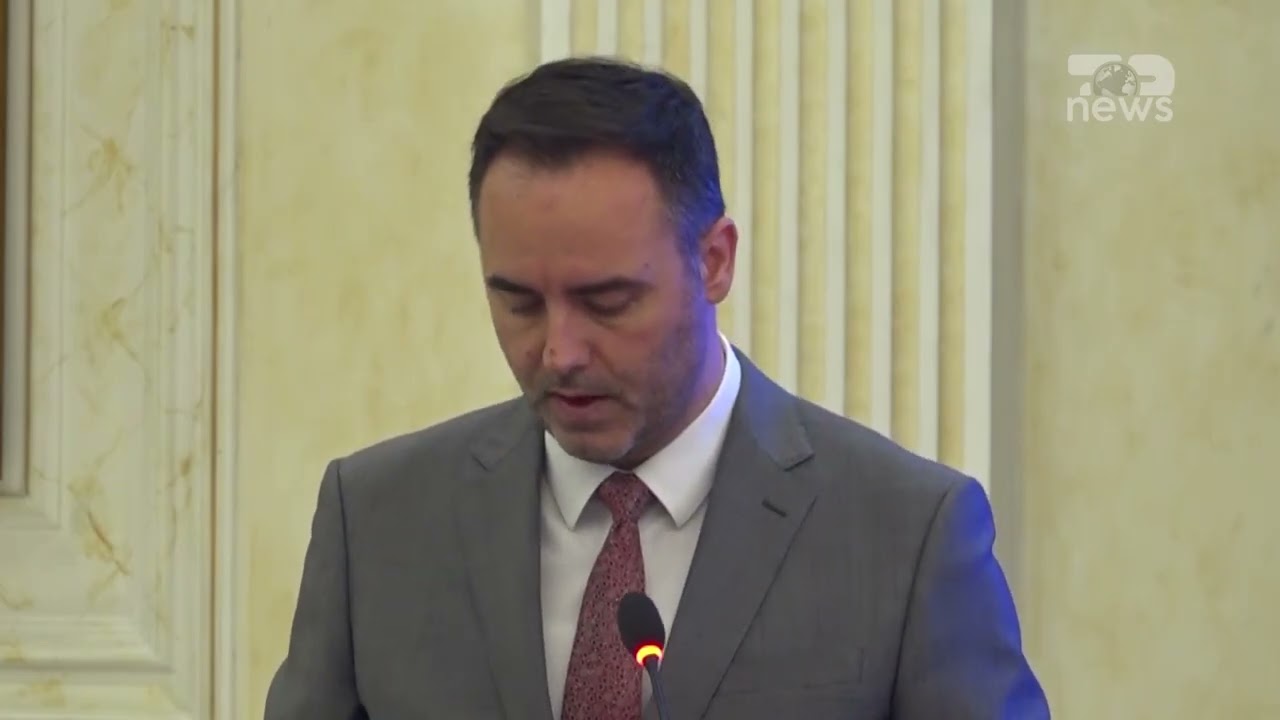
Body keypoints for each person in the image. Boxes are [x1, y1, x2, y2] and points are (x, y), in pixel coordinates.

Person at [264, 56, 1050, 720]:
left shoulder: (905, 536)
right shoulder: (378, 523)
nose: (559, 352)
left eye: (607, 302)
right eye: (519, 302)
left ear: (714, 262)